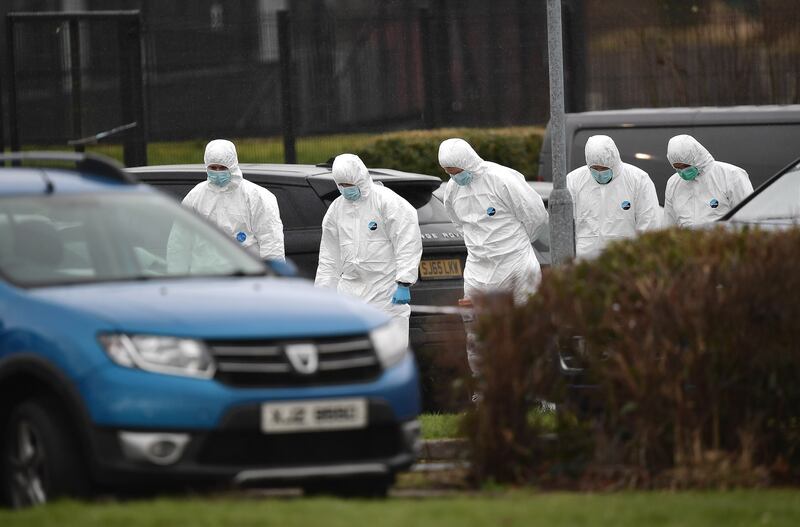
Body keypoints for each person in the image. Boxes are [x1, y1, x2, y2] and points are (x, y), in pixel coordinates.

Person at [438, 138, 548, 384]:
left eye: (458, 172)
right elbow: (459, 223)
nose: (455, 177)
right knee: (477, 333)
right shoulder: (453, 190)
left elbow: (536, 216)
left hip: (516, 265)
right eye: (449, 173)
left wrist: (516, 243)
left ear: (469, 162)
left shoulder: (502, 180)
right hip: (478, 269)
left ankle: (539, 391)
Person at [315, 154, 422, 345]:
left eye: (349, 184)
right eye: (341, 185)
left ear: (360, 178)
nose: (345, 190)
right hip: (349, 290)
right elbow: (329, 257)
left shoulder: (386, 201)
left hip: (385, 289)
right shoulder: (336, 210)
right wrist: (323, 293)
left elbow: (407, 240)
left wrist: (404, 281)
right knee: (353, 348)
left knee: (389, 347)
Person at [167, 139, 285, 273]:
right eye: (213, 168)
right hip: (204, 280)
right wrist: (176, 279)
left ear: (233, 165)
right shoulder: (195, 197)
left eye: (222, 168)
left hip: (246, 282)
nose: (217, 172)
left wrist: (273, 279)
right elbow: (179, 243)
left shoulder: (256, 196)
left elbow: (272, 243)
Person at [566, 135, 660, 259]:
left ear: (614, 162)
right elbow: (565, 226)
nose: (599, 173)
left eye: (604, 168)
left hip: (624, 263)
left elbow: (649, 224)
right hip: (585, 265)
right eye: (595, 168)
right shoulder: (574, 181)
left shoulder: (638, 179)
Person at [663, 134, 753, 227]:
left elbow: (749, 217)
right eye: (678, 168)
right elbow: (669, 224)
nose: (683, 172)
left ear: (697, 159)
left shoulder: (731, 176)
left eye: (685, 166)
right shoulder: (673, 183)